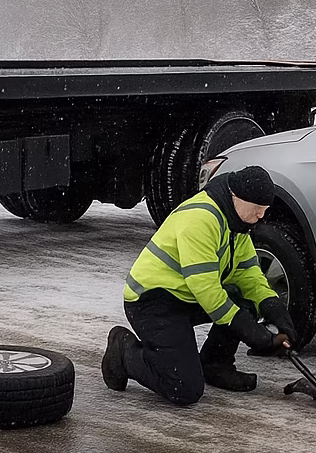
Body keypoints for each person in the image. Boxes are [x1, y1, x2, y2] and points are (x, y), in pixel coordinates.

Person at [100, 165, 299, 406]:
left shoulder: (237, 225)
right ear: (236, 197)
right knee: (184, 388)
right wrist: (255, 334)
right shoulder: (200, 219)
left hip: (185, 297)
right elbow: (207, 292)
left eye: (265, 210)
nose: (261, 216)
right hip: (152, 302)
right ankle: (124, 352)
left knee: (241, 297)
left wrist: (273, 308)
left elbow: (249, 275)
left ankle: (215, 365)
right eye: (257, 209)